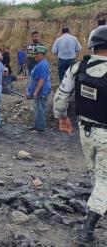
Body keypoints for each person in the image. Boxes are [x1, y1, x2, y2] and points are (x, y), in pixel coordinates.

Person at [53, 26, 107, 245]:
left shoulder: (78, 67)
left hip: (85, 132)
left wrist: (62, 117)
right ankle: (88, 228)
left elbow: (61, 97)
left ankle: (99, 205)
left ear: (92, 45)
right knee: (104, 179)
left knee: (96, 174)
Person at [26, 45, 51, 134]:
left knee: (40, 109)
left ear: (41, 54)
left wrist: (36, 91)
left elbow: (42, 79)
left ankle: (40, 128)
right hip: (39, 91)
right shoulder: (40, 64)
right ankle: (36, 125)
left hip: (41, 92)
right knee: (37, 109)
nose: (34, 56)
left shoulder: (43, 64)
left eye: (35, 54)